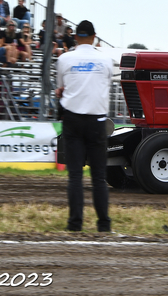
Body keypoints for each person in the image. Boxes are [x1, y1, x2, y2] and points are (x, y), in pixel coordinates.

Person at [55, 20, 113, 233]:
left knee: (75, 176)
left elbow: (60, 89)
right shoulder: (106, 60)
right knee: (99, 177)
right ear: (94, 37)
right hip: (96, 121)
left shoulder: (64, 59)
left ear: (76, 37)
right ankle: (104, 224)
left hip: (73, 120)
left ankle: (75, 224)